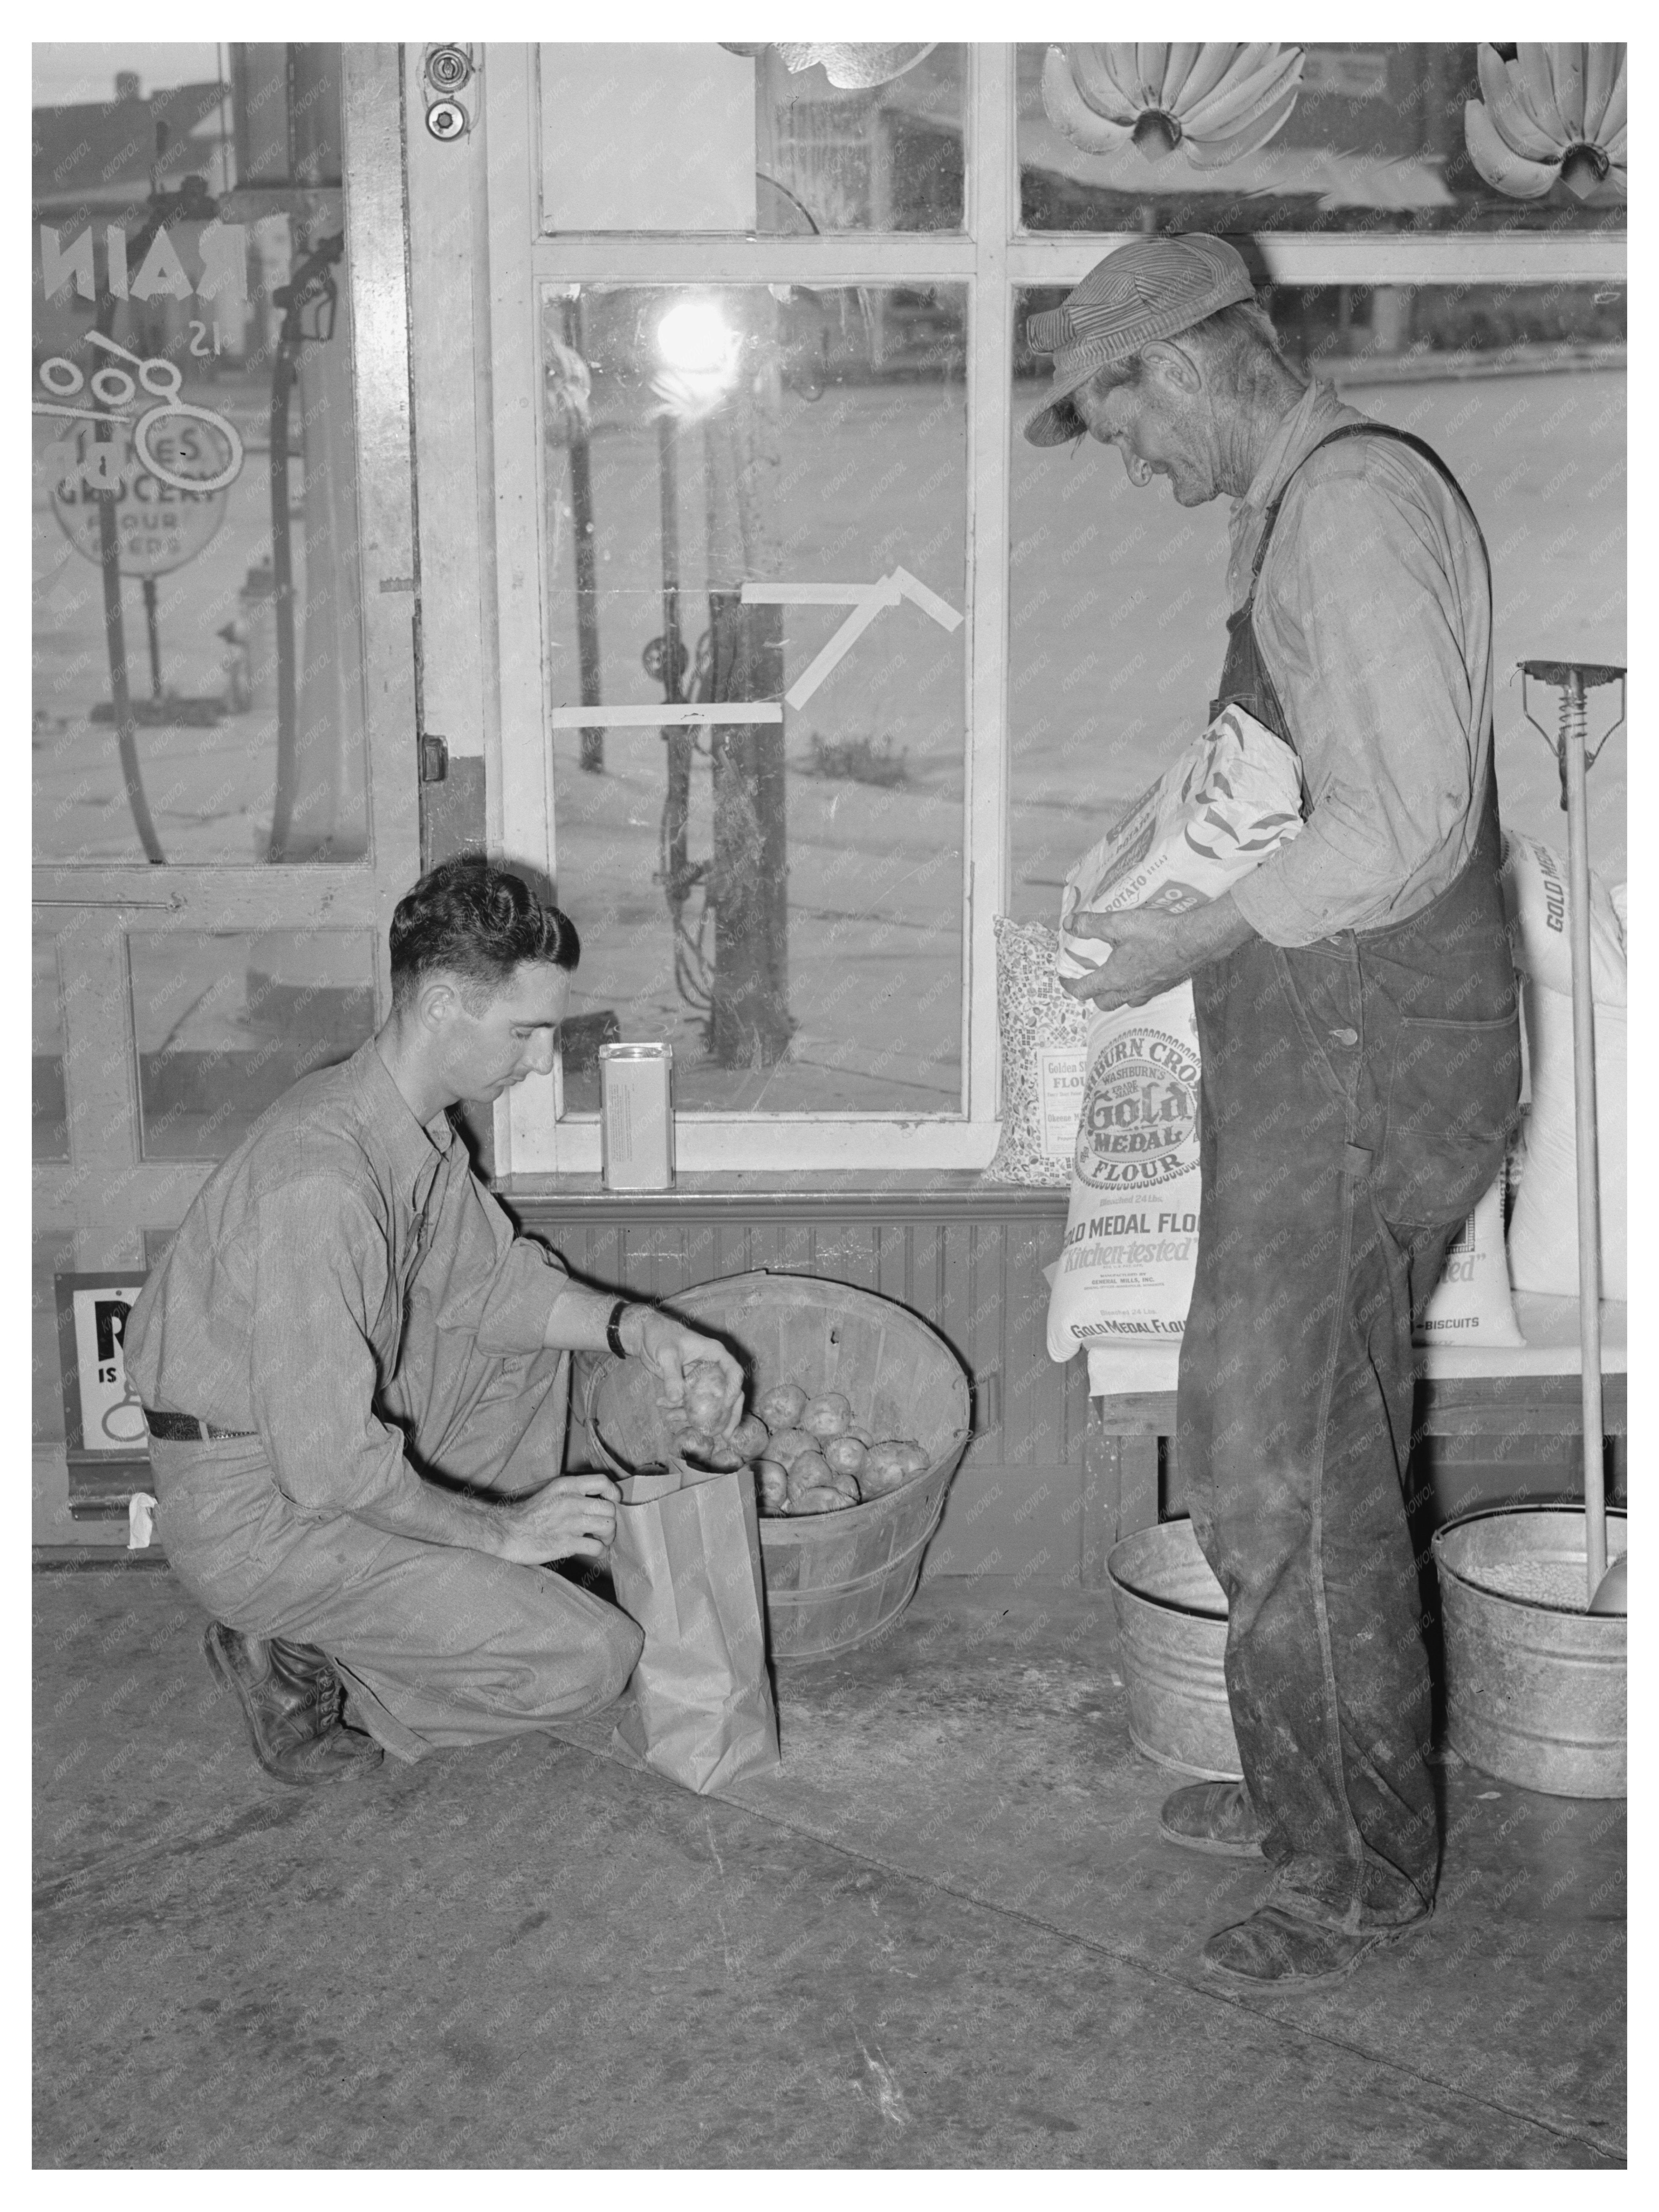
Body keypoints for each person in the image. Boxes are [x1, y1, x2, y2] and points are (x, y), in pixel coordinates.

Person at [1025, 236, 1520, 1990]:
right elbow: (1303, 793)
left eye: (1120, 424)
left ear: (1182, 367)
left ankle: (1354, 1867)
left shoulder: (1349, 514)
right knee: (1287, 1438)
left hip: (1373, 1050)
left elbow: (1403, 823)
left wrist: (1197, 923)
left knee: (1279, 1466)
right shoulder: (1304, 505)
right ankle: (1313, 1780)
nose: (1137, 469)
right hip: (1339, 1039)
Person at [124, 856, 743, 1786]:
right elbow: (329, 1465)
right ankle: (306, 1656)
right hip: (255, 1516)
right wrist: (501, 1534)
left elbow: (497, 1290)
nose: (539, 1061)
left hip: (300, 1468)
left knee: (528, 1348)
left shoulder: (405, 1125)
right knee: (593, 1660)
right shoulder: (321, 1178)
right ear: (444, 1003)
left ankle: (424, 1605)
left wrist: (645, 1329)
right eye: (526, 1033)